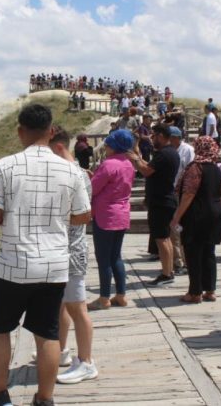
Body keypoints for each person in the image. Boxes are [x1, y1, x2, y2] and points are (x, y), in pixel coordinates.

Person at [0, 104, 91, 406]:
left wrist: (14, 216)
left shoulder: (5, 166)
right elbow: (82, 216)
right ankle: (44, 398)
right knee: (48, 334)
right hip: (54, 265)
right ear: (51, 130)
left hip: (13, 264)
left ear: (20, 131)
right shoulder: (70, 169)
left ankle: (0, 395)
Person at [48, 129, 98, 385]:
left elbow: (78, 214)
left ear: (57, 148)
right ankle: (63, 350)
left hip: (71, 249)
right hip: (63, 248)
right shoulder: (75, 172)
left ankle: (87, 361)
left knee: (77, 307)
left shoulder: (74, 175)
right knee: (63, 304)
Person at [171, 137, 221, 303]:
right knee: (209, 253)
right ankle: (210, 290)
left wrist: (176, 217)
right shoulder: (215, 168)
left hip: (197, 215)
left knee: (193, 253)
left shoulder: (196, 167)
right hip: (215, 214)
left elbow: (188, 194)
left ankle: (195, 292)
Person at [87, 130, 135, 311]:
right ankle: (121, 295)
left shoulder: (108, 165)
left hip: (106, 215)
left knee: (103, 259)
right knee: (116, 256)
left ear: (114, 146)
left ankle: (104, 298)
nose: (105, 147)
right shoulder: (129, 164)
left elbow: (92, 189)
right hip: (122, 214)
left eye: (107, 144)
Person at [128, 125, 180, 286]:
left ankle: (166, 274)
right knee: (165, 238)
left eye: (155, 135)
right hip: (164, 200)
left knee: (162, 239)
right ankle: (168, 270)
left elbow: (145, 170)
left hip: (161, 202)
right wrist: (136, 152)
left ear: (162, 136)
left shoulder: (165, 154)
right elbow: (148, 165)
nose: (152, 138)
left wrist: (132, 157)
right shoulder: (168, 153)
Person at [169, 126, 194, 273]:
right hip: (172, 192)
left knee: (181, 227)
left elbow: (189, 171)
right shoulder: (170, 151)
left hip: (183, 193)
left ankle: (185, 260)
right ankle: (178, 261)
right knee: (174, 229)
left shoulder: (187, 150)